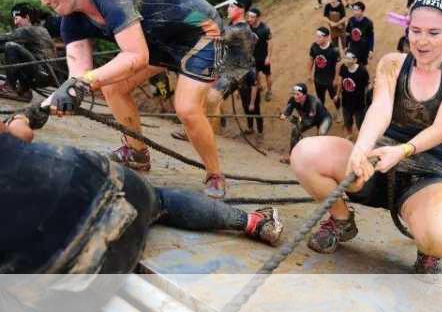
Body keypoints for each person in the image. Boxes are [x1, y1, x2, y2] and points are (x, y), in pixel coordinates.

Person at [21, 0, 255, 200]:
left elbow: (135, 56)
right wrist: (46, 105)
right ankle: (137, 153)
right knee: (112, 87)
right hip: (158, 43)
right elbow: (77, 76)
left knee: (187, 108)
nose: (43, 1)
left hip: (202, 35)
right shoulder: (71, 21)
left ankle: (214, 174)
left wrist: (83, 83)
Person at [290, 0, 442, 274]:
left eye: (433, 32)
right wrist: (361, 149)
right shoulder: (392, 62)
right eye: (415, 31)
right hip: (375, 160)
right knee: (305, 154)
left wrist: (402, 151)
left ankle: (428, 245)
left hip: (423, 172)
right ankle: (341, 220)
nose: (422, 41)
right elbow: (380, 108)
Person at [0, 113, 283, 281]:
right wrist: (19, 119)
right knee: (160, 199)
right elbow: (21, 133)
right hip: (115, 195)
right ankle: (253, 221)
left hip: (70, 276)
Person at [0, 3, 61, 102]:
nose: (15, 23)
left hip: (42, 73)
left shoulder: (29, 30)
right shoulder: (41, 30)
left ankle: (10, 88)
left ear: (27, 17)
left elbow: (4, 39)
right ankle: (24, 90)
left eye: (16, 18)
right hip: (45, 74)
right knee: (11, 47)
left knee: (10, 46)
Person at [279, 83, 332, 164]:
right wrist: (284, 115)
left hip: (323, 118)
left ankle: (321, 160)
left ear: (304, 95)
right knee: (295, 131)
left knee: (321, 135)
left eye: (298, 94)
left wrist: (295, 120)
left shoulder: (313, 102)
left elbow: (309, 121)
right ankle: (292, 157)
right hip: (309, 118)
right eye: (294, 94)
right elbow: (288, 110)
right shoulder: (293, 100)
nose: (295, 96)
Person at [308, 27, 341, 120]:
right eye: (316, 36)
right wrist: (309, 73)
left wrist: (336, 78)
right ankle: (322, 113)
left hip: (330, 79)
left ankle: (339, 111)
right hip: (318, 79)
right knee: (320, 98)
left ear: (327, 37)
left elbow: (338, 64)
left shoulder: (334, 49)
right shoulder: (314, 46)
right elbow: (311, 60)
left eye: (319, 37)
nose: (317, 39)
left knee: (334, 97)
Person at [335, 51, 369, 139]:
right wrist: (337, 95)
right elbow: (341, 81)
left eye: (348, 59)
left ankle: (361, 137)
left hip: (359, 103)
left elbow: (367, 87)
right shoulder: (344, 68)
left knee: (360, 123)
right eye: (345, 58)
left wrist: (367, 100)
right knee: (347, 121)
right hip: (346, 101)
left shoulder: (362, 71)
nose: (346, 61)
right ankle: (350, 134)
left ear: (355, 60)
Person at [247, 7, 273, 101]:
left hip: (263, 57)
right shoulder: (247, 27)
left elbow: (270, 43)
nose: (249, 19)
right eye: (248, 16)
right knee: (256, 74)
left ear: (258, 18)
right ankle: (260, 86)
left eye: (252, 17)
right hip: (253, 58)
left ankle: (269, 91)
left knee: (267, 74)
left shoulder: (265, 29)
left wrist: (268, 57)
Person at [345, 2, 374, 66]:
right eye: (354, 10)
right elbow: (348, 34)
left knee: (362, 66)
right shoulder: (350, 20)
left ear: (362, 11)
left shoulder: (368, 23)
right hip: (353, 46)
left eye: (357, 10)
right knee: (351, 64)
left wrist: (371, 50)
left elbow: (370, 37)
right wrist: (346, 46)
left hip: (363, 48)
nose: (355, 12)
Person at [238, 69, 263, 136]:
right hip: (244, 93)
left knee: (256, 112)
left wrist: (252, 103)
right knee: (247, 111)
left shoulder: (251, 72)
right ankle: (250, 128)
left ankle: (260, 132)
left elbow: (254, 87)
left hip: (252, 95)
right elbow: (239, 81)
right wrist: (238, 92)